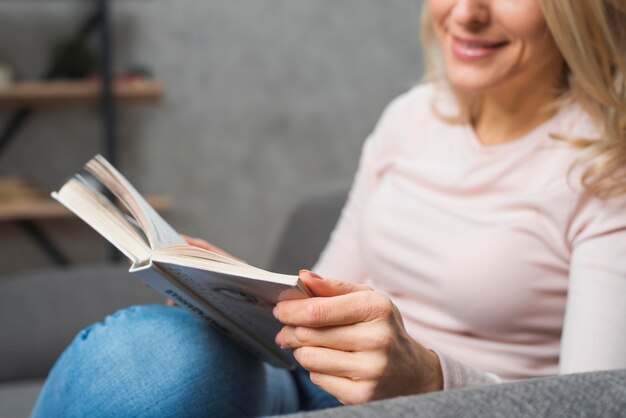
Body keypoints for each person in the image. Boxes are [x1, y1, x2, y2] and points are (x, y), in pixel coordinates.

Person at [32, 0, 626, 416]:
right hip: (317, 388)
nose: (466, 11)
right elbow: (324, 291)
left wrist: (426, 377)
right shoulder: (411, 117)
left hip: (456, 407)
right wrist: (239, 294)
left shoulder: (607, 164)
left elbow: (595, 401)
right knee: (154, 357)